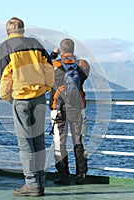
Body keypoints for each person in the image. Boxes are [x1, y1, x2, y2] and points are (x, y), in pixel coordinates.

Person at [0, 17, 55, 197]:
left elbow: (3, 76)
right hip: (39, 98)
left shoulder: (6, 47)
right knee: (39, 141)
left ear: (8, 32)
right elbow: (48, 69)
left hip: (20, 98)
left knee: (25, 143)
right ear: (23, 30)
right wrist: (45, 88)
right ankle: (41, 182)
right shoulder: (35, 43)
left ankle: (31, 184)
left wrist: (7, 97)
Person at [49, 38, 90, 185]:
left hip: (58, 109)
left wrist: (53, 54)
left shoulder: (53, 65)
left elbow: (41, 67)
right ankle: (81, 175)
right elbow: (84, 75)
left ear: (61, 49)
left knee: (60, 142)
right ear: (73, 49)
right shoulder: (83, 65)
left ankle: (63, 176)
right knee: (79, 141)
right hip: (78, 108)